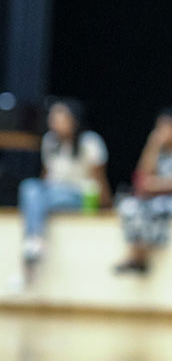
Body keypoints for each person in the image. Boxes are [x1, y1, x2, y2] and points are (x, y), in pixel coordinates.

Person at [114, 107, 172, 274]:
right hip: (161, 199)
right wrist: (152, 146)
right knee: (128, 206)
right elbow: (142, 177)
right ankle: (137, 254)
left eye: (167, 126)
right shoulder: (161, 151)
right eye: (159, 128)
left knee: (155, 207)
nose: (162, 132)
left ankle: (139, 256)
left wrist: (153, 186)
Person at [18, 97, 111, 267]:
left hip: (80, 195)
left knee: (53, 196)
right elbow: (45, 176)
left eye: (59, 116)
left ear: (74, 119)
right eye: (52, 117)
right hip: (52, 192)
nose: (54, 121)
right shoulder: (49, 141)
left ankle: (35, 237)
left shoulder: (90, 142)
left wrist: (106, 205)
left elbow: (99, 179)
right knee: (29, 187)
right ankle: (34, 239)